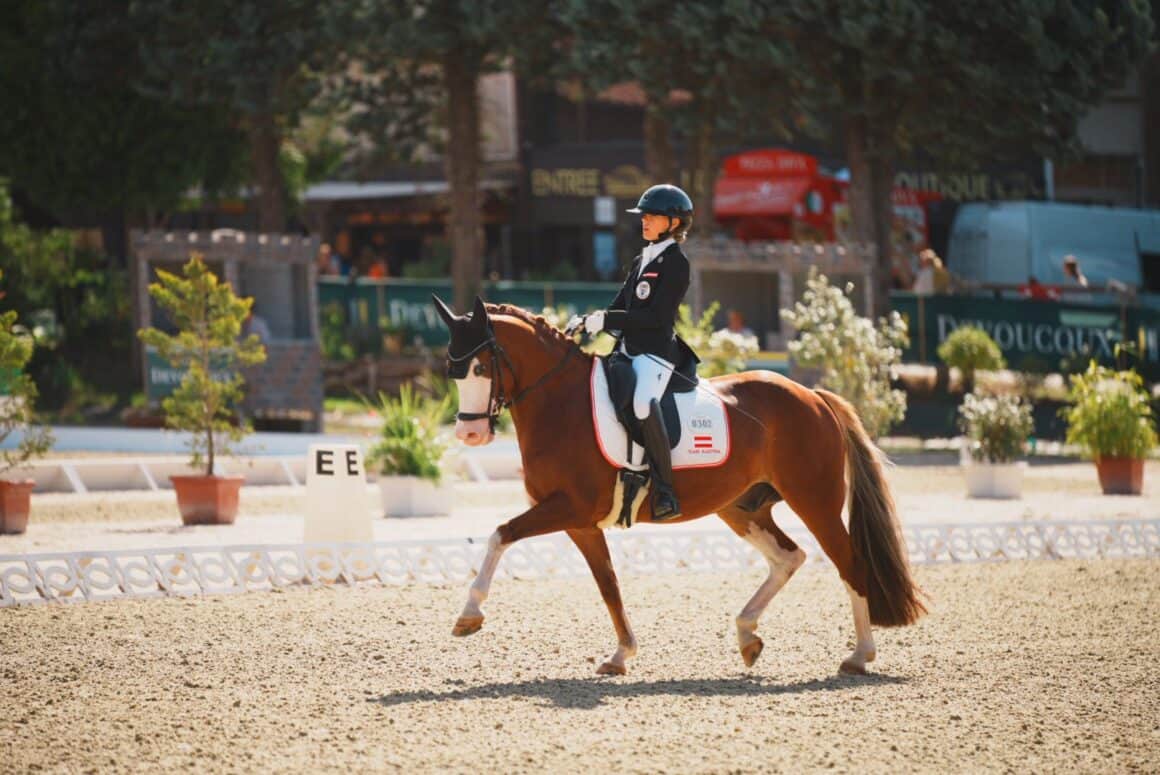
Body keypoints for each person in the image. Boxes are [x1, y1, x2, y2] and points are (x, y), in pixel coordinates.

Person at [575, 184, 695, 521]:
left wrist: (608, 319)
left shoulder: (676, 264)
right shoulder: (643, 259)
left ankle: (666, 491)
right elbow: (619, 306)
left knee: (643, 402)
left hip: (655, 354)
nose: (644, 220)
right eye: (644, 215)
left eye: (653, 216)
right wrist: (589, 321)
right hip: (627, 352)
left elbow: (655, 318)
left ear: (673, 223)